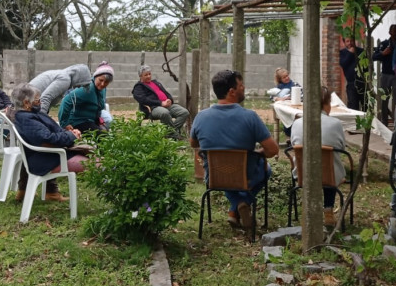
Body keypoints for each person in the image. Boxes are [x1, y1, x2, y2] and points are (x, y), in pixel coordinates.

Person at [190, 70, 280, 228]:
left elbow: (193, 144)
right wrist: (259, 152)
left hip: (214, 177)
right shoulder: (250, 117)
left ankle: (234, 210)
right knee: (266, 169)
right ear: (232, 91)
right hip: (245, 176)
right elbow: (272, 150)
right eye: (241, 85)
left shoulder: (201, 117)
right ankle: (242, 202)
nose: (244, 87)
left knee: (225, 171)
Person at [12, 83, 90, 202]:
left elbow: (48, 133)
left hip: (48, 156)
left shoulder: (29, 115)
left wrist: (67, 132)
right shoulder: (27, 119)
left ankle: (50, 192)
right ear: (26, 103)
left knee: (97, 160)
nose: (40, 102)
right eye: (37, 100)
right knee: (97, 164)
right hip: (47, 159)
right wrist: (71, 136)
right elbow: (46, 140)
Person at [289, 85, 348, 226]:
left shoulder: (296, 123)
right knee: (329, 168)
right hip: (329, 175)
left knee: (319, 168)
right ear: (327, 104)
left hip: (303, 174)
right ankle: (328, 209)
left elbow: (293, 143)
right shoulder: (335, 124)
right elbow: (341, 147)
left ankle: (309, 210)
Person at [131, 65, 190, 138]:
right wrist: (160, 103)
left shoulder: (155, 83)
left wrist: (169, 100)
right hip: (154, 108)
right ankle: (173, 135)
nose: (148, 76)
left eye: (149, 74)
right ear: (140, 76)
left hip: (167, 105)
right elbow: (142, 99)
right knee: (165, 113)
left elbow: (166, 93)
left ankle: (170, 134)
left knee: (184, 112)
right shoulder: (139, 87)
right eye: (146, 75)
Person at [59, 62, 112, 133]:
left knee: (109, 126)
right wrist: (64, 123)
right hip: (78, 121)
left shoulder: (102, 89)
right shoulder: (86, 89)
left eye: (106, 82)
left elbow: (99, 107)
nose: (103, 84)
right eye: (101, 80)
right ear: (95, 77)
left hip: (90, 120)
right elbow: (66, 101)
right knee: (102, 135)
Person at [372, 24, 396, 126]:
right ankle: (384, 122)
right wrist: (383, 53)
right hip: (386, 74)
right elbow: (374, 56)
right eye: (394, 31)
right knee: (384, 99)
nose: (395, 33)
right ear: (389, 32)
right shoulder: (384, 44)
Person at [339, 36, 366, 111]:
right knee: (353, 107)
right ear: (344, 42)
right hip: (351, 84)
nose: (350, 43)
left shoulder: (361, 51)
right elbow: (343, 64)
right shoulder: (342, 53)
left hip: (363, 83)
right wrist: (350, 53)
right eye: (347, 41)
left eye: (351, 41)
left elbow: (366, 66)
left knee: (365, 106)